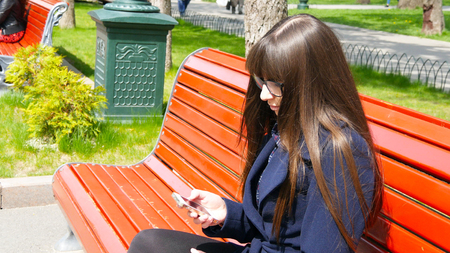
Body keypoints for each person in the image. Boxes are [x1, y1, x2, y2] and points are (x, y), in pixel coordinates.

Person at [128, 13, 383, 253]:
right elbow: (272, 227)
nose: (263, 95)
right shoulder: (288, 128)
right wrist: (226, 213)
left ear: (310, 84)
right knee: (147, 243)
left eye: (275, 84)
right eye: (261, 81)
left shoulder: (340, 151)